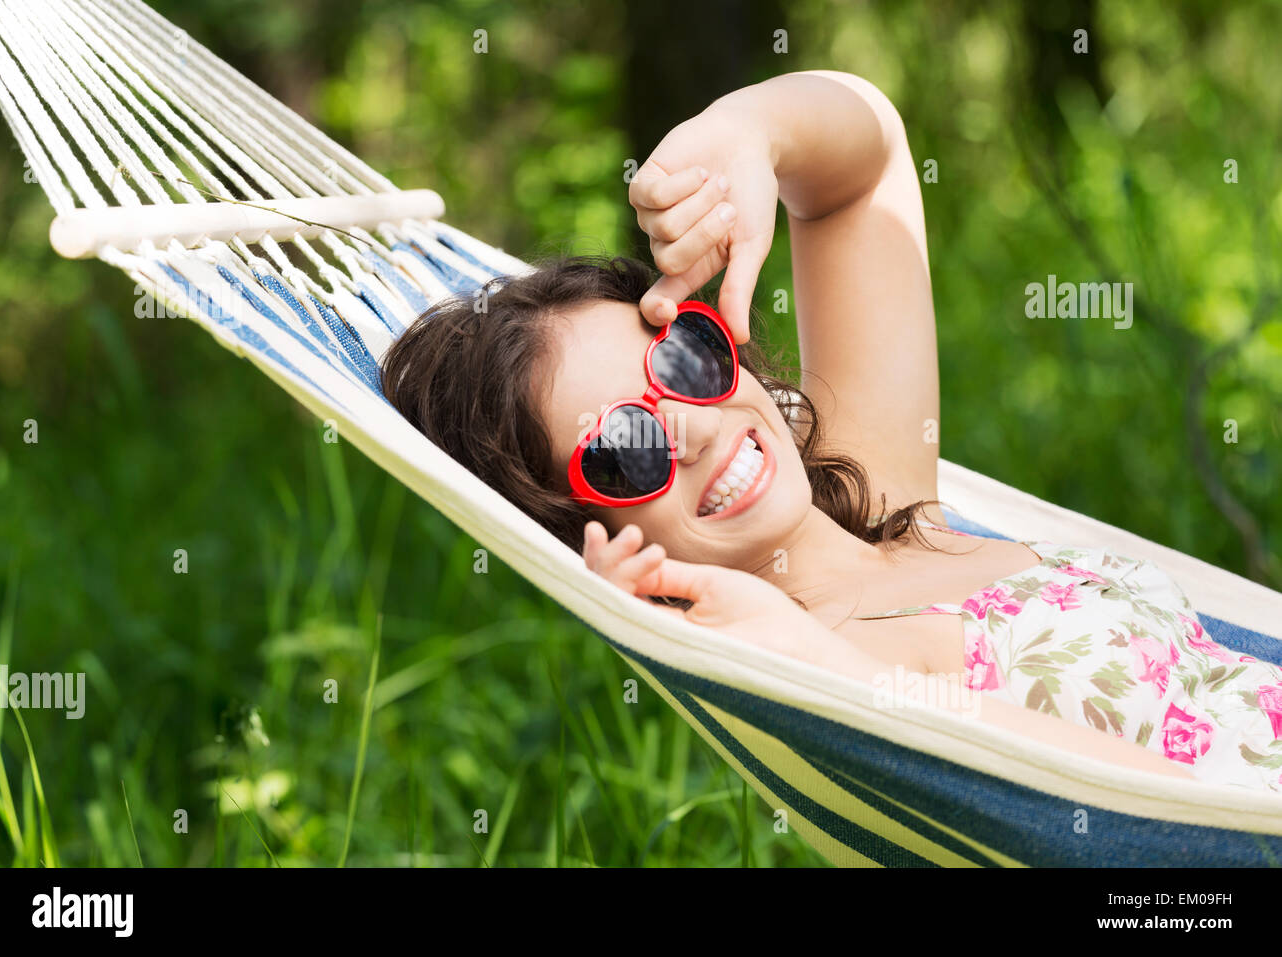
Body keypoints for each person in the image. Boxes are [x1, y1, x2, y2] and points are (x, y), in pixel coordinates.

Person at [382, 71, 1282, 794]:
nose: (693, 427)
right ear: (589, 535)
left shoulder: (887, 500)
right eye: (625, 446)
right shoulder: (824, 676)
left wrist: (747, 130)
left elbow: (865, 170)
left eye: (682, 359)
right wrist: (806, 659)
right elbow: (1161, 850)